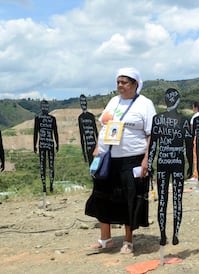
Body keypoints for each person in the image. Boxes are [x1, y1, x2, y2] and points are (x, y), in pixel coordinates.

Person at [85, 67, 156, 254]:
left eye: (124, 82)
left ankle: (128, 241)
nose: (120, 86)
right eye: (118, 82)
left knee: (129, 200)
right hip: (108, 158)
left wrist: (146, 160)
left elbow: (151, 135)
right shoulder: (113, 101)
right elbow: (104, 125)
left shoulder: (145, 104)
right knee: (102, 196)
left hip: (132, 159)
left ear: (135, 84)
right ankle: (105, 239)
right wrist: (97, 148)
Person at [148, 88, 191, 246]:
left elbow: (153, 143)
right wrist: (191, 165)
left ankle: (162, 235)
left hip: (163, 161)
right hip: (178, 162)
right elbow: (189, 144)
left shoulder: (157, 119)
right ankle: (176, 234)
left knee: (162, 200)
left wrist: (150, 163)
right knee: (177, 199)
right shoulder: (184, 120)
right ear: (178, 101)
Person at [33, 100, 59, 193]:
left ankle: (51, 185)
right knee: (43, 165)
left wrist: (57, 143)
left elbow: (55, 132)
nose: (44, 108)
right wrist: (34, 145)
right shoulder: (38, 118)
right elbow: (35, 133)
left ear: (48, 107)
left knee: (50, 165)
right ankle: (44, 186)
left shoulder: (52, 118)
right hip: (43, 144)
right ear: (41, 107)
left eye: (46, 106)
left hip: (49, 143)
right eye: (43, 106)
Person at [78, 94, 98, 166]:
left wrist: (98, 146)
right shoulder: (80, 117)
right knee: (91, 166)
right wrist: (84, 153)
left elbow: (96, 132)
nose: (83, 104)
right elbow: (81, 136)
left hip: (94, 144)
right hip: (87, 146)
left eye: (84, 102)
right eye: (82, 102)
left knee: (96, 166)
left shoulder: (91, 116)